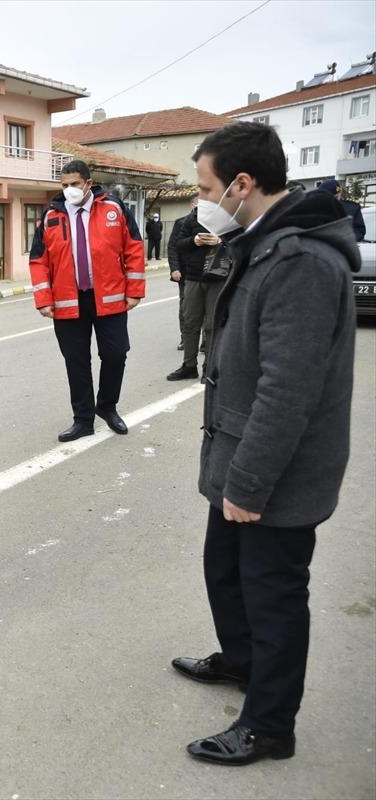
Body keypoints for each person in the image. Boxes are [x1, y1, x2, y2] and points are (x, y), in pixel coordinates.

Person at [174, 122, 356, 766]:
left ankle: (270, 724)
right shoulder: (265, 242)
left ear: (242, 184)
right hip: (241, 457)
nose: (202, 200)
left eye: (206, 187)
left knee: (274, 592)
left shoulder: (301, 260)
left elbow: (289, 390)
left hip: (274, 473)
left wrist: (248, 486)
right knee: (225, 572)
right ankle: (243, 660)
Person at [28, 159, 146, 442]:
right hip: (68, 302)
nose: (69, 190)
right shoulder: (50, 216)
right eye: (64, 185)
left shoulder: (114, 209)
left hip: (110, 298)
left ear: (88, 184)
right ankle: (83, 419)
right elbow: (38, 260)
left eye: (75, 184)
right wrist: (44, 299)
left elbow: (134, 248)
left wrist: (134, 290)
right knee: (77, 362)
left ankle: (107, 406)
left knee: (116, 354)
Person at [165, 200, 234, 380]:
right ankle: (189, 366)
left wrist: (220, 241)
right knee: (190, 323)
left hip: (218, 277)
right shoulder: (190, 219)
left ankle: (209, 368)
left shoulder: (227, 217)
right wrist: (194, 240)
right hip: (193, 277)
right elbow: (178, 244)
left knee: (212, 324)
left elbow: (238, 243)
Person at [167, 198, 196, 352]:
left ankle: (206, 342)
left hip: (207, 272)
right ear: (191, 204)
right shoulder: (181, 222)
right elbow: (172, 246)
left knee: (206, 309)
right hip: (185, 272)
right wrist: (174, 268)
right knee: (185, 307)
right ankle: (185, 339)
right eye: (196, 202)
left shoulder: (213, 223)